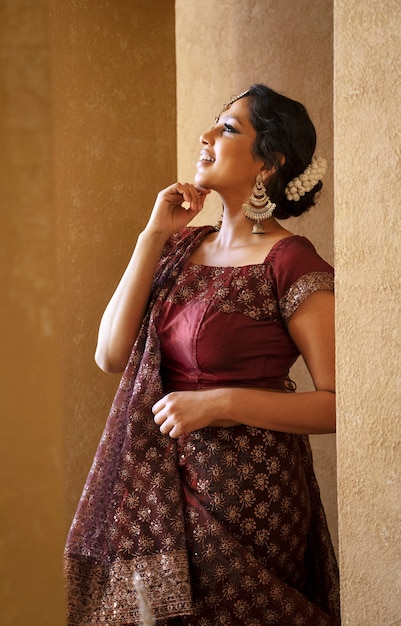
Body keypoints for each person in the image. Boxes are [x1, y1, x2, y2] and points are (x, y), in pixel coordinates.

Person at [64, 84, 340, 626]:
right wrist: (152, 234)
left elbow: (337, 404)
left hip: (250, 499)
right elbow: (110, 353)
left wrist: (219, 403)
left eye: (229, 128)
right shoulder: (179, 247)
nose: (206, 136)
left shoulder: (289, 262)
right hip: (159, 492)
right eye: (213, 124)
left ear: (270, 164)